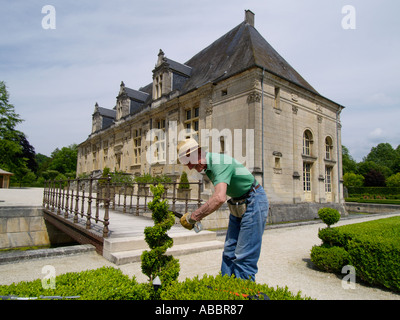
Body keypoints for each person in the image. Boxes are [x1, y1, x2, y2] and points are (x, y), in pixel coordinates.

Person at [177, 138, 269, 281]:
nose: (189, 167)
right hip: (237, 203)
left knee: (244, 256)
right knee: (229, 251)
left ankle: (242, 295)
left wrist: (194, 217)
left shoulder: (219, 162)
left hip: (254, 199)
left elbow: (219, 198)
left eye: (189, 162)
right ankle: (225, 290)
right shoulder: (208, 167)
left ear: (199, 152)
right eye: (186, 164)